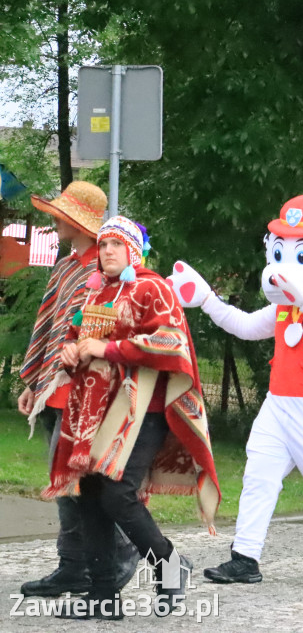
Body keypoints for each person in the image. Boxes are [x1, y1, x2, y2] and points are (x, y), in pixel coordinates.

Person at [170, 196, 303, 586]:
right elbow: (246, 326)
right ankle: (245, 557)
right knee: (259, 476)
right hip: (278, 405)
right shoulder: (284, 311)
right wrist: (208, 300)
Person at [43, 217, 219, 620]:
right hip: (94, 410)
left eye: (116, 245)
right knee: (89, 495)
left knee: (118, 493)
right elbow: (76, 336)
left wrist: (108, 349)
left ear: (133, 251)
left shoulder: (152, 287)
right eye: (103, 244)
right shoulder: (96, 291)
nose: (106, 251)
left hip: (145, 410)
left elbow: (170, 342)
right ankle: (102, 597)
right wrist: (72, 350)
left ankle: (171, 567)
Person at [15, 182, 142, 599]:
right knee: (68, 489)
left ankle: (118, 558)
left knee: (90, 488)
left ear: (78, 223)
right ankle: (74, 566)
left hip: (88, 395)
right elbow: (52, 327)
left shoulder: (106, 274)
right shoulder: (69, 267)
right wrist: (36, 382)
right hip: (56, 392)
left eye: (61, 215)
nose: (55, 220)